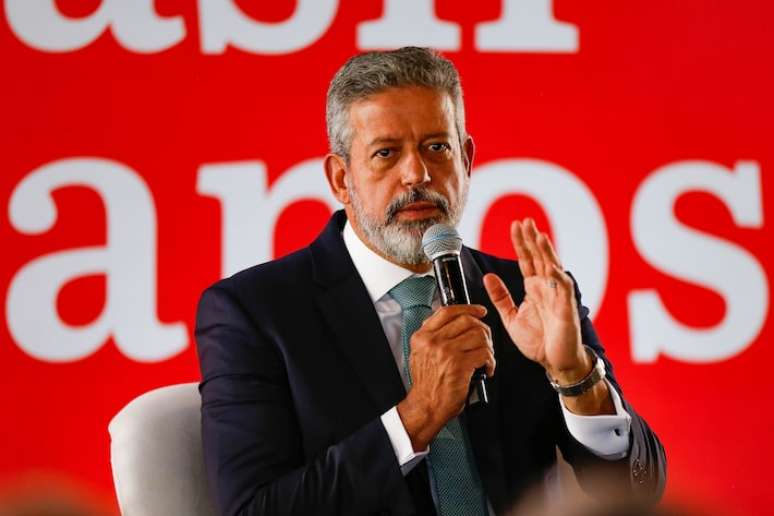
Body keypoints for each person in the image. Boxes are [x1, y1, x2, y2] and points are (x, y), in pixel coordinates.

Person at [195, 47, 666, 516]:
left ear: (467, 159)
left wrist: (575, 376)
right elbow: (252, 509)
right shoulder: (254, 314)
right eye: (386, 153)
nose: (416, 174)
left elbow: (639, 491)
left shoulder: (526, 295)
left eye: (437, 148)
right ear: (341, 179)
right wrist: (417, 415)